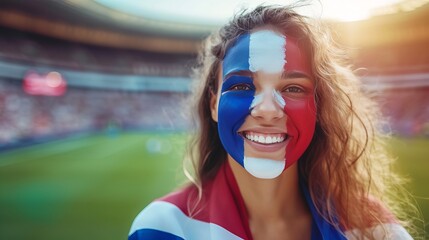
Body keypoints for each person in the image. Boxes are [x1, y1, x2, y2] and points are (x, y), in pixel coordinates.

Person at [128, 4, 417, 240]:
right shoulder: (163, 229)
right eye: (241, 87)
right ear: (214, 104)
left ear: (320, 107)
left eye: (293, 88)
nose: (267, 110)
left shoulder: (375, 230)